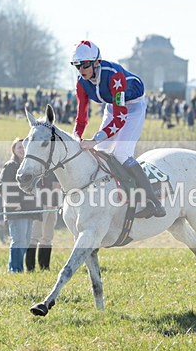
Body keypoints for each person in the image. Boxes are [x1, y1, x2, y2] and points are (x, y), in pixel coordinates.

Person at [70, 40, 165, 219]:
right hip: (112, 106)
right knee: (100, 151)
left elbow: (120, 118)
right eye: (77, 66)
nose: (81, 70)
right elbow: (82, 114)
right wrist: (77, 135)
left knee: (122, 153)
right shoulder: (81, 83)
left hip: (133, 107)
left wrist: (95, 139)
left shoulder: (115, 76)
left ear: (96, 62)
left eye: (85, 65)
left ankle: (153, 202)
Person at [0, 138, 42, 273]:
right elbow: (3, 186)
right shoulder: (10, 166)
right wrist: (14, 203)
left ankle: (16, 267)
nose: (22, 150)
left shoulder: (30, 166)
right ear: (14, 150)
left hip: (29, 210)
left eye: (24, 147)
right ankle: (15, 269)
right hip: (16, 210)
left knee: (26, 241)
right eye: (19, 147)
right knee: (18, 241)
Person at [26, 171, 60, 271]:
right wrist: (51, 185)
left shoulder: (54, 165)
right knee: (35, 235)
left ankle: (45, 267)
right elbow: (35, 182)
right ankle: (30, 268)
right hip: (40, 203)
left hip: (53, 203)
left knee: (48, 236)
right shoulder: (38, 164)